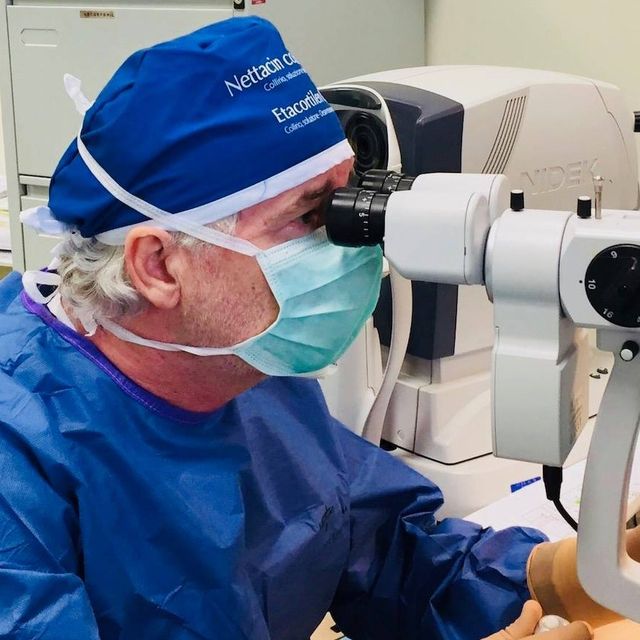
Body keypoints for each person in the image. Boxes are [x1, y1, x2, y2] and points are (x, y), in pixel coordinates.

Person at [0, 16, 636, 640]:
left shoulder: (250, 369)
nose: (352, 243)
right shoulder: (20, 455)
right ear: (159, 265)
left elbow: (388, 558)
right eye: (310, 215)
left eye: (347, 196)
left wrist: (583, 573)